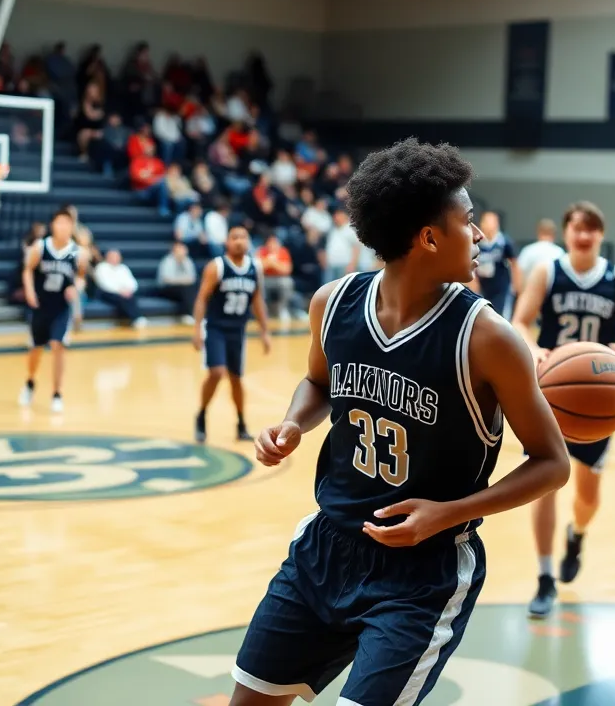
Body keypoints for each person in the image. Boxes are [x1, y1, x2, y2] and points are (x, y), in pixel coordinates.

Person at [228, 139, 570, 706]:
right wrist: (292, 424)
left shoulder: (488, 338)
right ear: (429, 237)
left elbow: (553, 462)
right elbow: (319, 382)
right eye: (468, 222)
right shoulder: (332, 304)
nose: (481, 234)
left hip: (422, 575)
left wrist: (450, 514)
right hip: (326, 547)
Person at [510, 200, 615, 619]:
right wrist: (536, 350)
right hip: (550, 393)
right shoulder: (548, 272)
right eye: (577, 228)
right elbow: (520, 321)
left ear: (600, 235)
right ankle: (544, 577)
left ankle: (578, 533)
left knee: (588, 495)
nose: (584, 235)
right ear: (566, 232)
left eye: (592, 229)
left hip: (598, 397)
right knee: (544, 484)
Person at [192, 224, 270, 444]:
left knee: (236, 379)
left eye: (243, 237)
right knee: (216, 372)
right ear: (227, 242)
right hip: (216, 328)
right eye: (234, 237)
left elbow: (257, 300)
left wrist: (264, 331)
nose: (239, 241)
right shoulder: (216, 266)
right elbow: (201, 297)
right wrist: (197, 328)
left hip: (239, 330)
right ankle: (201, 415)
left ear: (248, 241)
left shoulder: (255, 267)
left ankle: (241, 423)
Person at [19, 210, 81, 413]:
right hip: (41, 305)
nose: (63, 227)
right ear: (53, 225)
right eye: (59, 223)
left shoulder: (76, 251)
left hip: (61, 307)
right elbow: (27, 269)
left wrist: (76, 287)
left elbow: (80, 276)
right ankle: (29, 382)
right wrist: (29, 291)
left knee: (58, 345)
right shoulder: (41, 246)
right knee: (36, 349)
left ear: (72, 227)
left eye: (67, 223)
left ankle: (57, 392)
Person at [468, 210, 516, 317]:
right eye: (486, 221)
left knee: (501, 315)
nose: (488, 225)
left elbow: (514, 262)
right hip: (482, 286)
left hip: (501, 286)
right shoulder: (477, 241)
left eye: (491, 222)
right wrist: (473, 281)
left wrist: (515, 283)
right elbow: (469, 262)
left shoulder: (503, 242)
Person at [513, 218, 565, 295]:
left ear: (539, 232)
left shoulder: (528, 251)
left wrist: (520, 294)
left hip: (530, 295)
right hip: (552, 298)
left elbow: (518, 273)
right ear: (553, 234)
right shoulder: (559, 252)